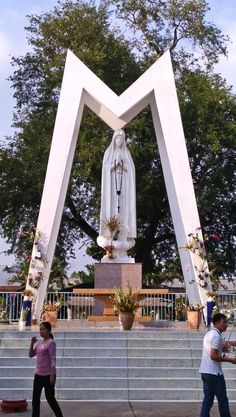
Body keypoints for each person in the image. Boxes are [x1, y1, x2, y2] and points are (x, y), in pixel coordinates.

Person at [98, 128, 136, 241]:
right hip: (112, 187)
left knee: (123, 206)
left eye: (121, 139)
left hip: (123, 183)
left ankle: (124, 229)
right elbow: (105, 171)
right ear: (114, 140)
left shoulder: (126, 153)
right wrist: (115, 165)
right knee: (113, 205)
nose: (119, 141)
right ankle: (111, 229)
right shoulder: (109, 153)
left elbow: (131, 170)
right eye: (117, 138)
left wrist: (123, 165)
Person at [199, 313, 236, 417]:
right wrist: (230, 359)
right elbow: (213, 356)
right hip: (214, 373)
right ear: (216, 323)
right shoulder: (216, 336)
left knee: (207, 401)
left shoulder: (209, 334)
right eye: (223, 322)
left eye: (227, 322)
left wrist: (226, 349)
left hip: (205, 372)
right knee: (223, 400)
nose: (226, 325)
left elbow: (216, 351)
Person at [29, 321, 63, 417]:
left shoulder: (51, 343)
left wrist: (52, 375)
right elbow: (31, 355)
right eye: (40, 329)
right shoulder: (39, 343)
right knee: (35, 399)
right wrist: (32, 343)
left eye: (43, 329)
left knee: (50, 398)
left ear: (49, 331)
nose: (41, 331)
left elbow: (53, 360)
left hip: (48, 375)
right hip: (38, 375)